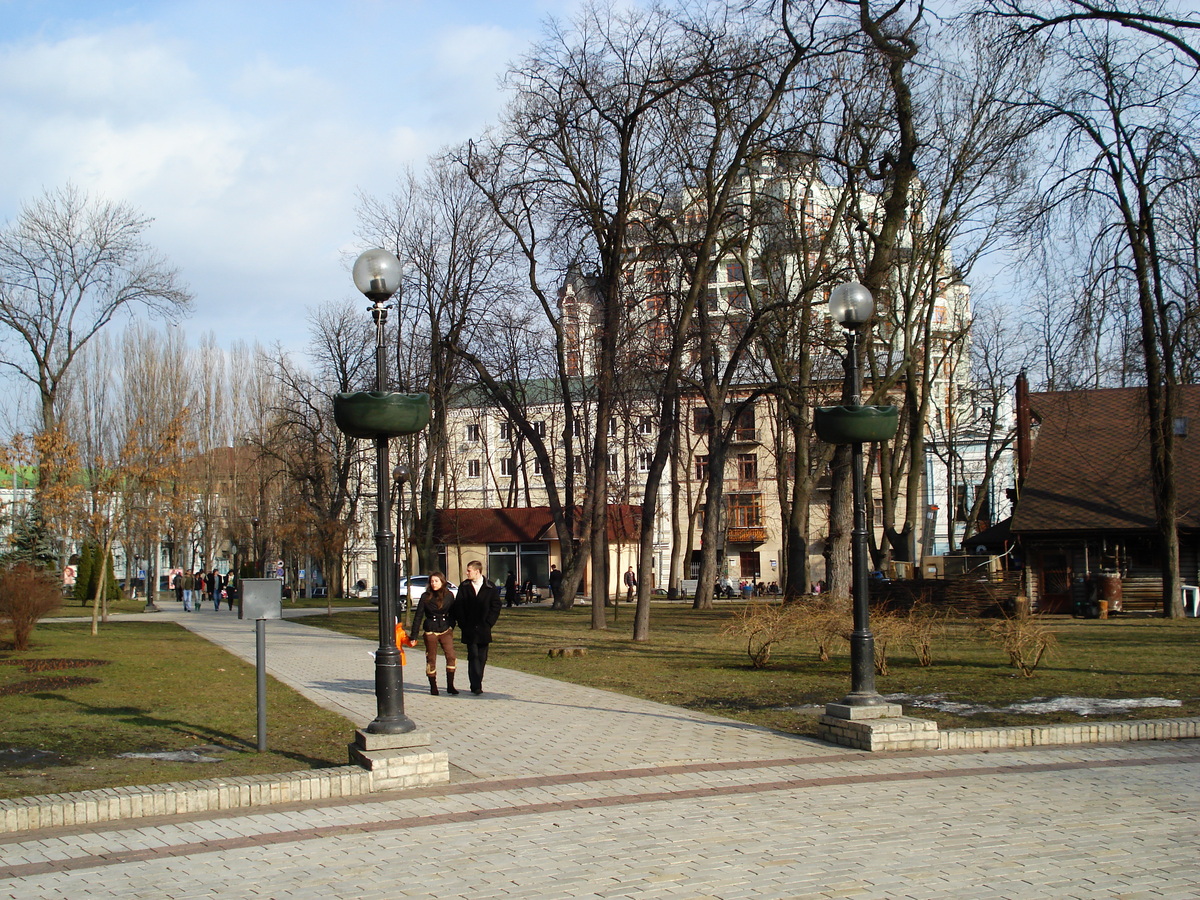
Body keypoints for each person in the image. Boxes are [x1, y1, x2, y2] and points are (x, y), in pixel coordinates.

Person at [455, 560, 501, 695]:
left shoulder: (490, 587)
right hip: (469, 627)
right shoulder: (464, 586)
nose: (467, 573)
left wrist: (489, 622)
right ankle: (475, 685)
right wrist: (462, 623)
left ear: (477, 571)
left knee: (482, 656)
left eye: (469, 570)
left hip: (484, 628)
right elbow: (458, 606)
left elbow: (496, 606)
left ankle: (478, 680)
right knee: (473, 655)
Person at [408, 571, 458, 695]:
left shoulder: (449, 595)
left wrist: (451, 625)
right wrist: (413, 635)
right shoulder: (426, 596)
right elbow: (418, 616)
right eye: (432, 581)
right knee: (431, 658)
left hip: (445, 629)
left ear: (442, 582)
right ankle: (433, 686)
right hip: (430, 630)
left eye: (436, 581)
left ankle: (450, 685)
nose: (434, 584)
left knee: (451, 656)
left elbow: (454, 612)